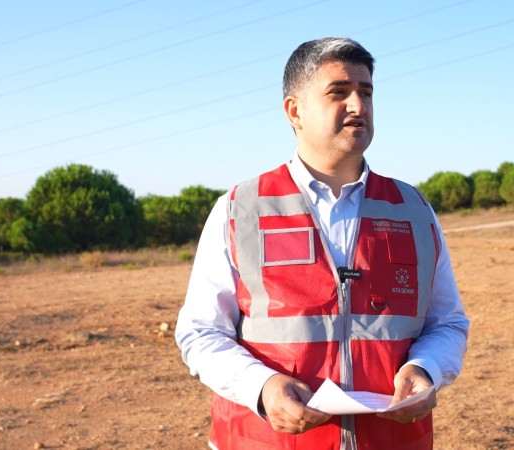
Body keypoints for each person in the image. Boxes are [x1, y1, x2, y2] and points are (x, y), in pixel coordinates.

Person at [175, 37, 469, 450]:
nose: (358, 105)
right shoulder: (240, 209)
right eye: (339, 92)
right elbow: (201, 332)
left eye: (366, 92)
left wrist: (426, 368)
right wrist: (262, 386)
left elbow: (448, 324)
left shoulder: (413, 210)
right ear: (294, 111)